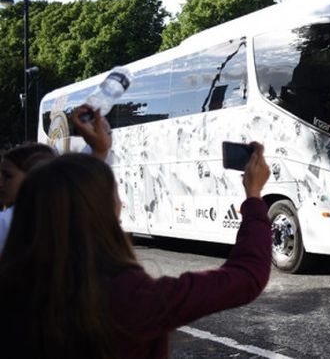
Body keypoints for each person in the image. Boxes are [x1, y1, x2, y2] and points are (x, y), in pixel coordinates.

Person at [0, 140, 272, 358]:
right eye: (114, 193)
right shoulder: (129, 298)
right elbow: (247, 275)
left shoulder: (15, 291)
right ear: (100, 209)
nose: (121, 204)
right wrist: (254, 196)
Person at [0, 105, 109, 257]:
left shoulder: (10, 222)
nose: (0, 183)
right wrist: (100, 150)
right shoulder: (71, 218)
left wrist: (99, 150)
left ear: (35, 176)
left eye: (7, 176)